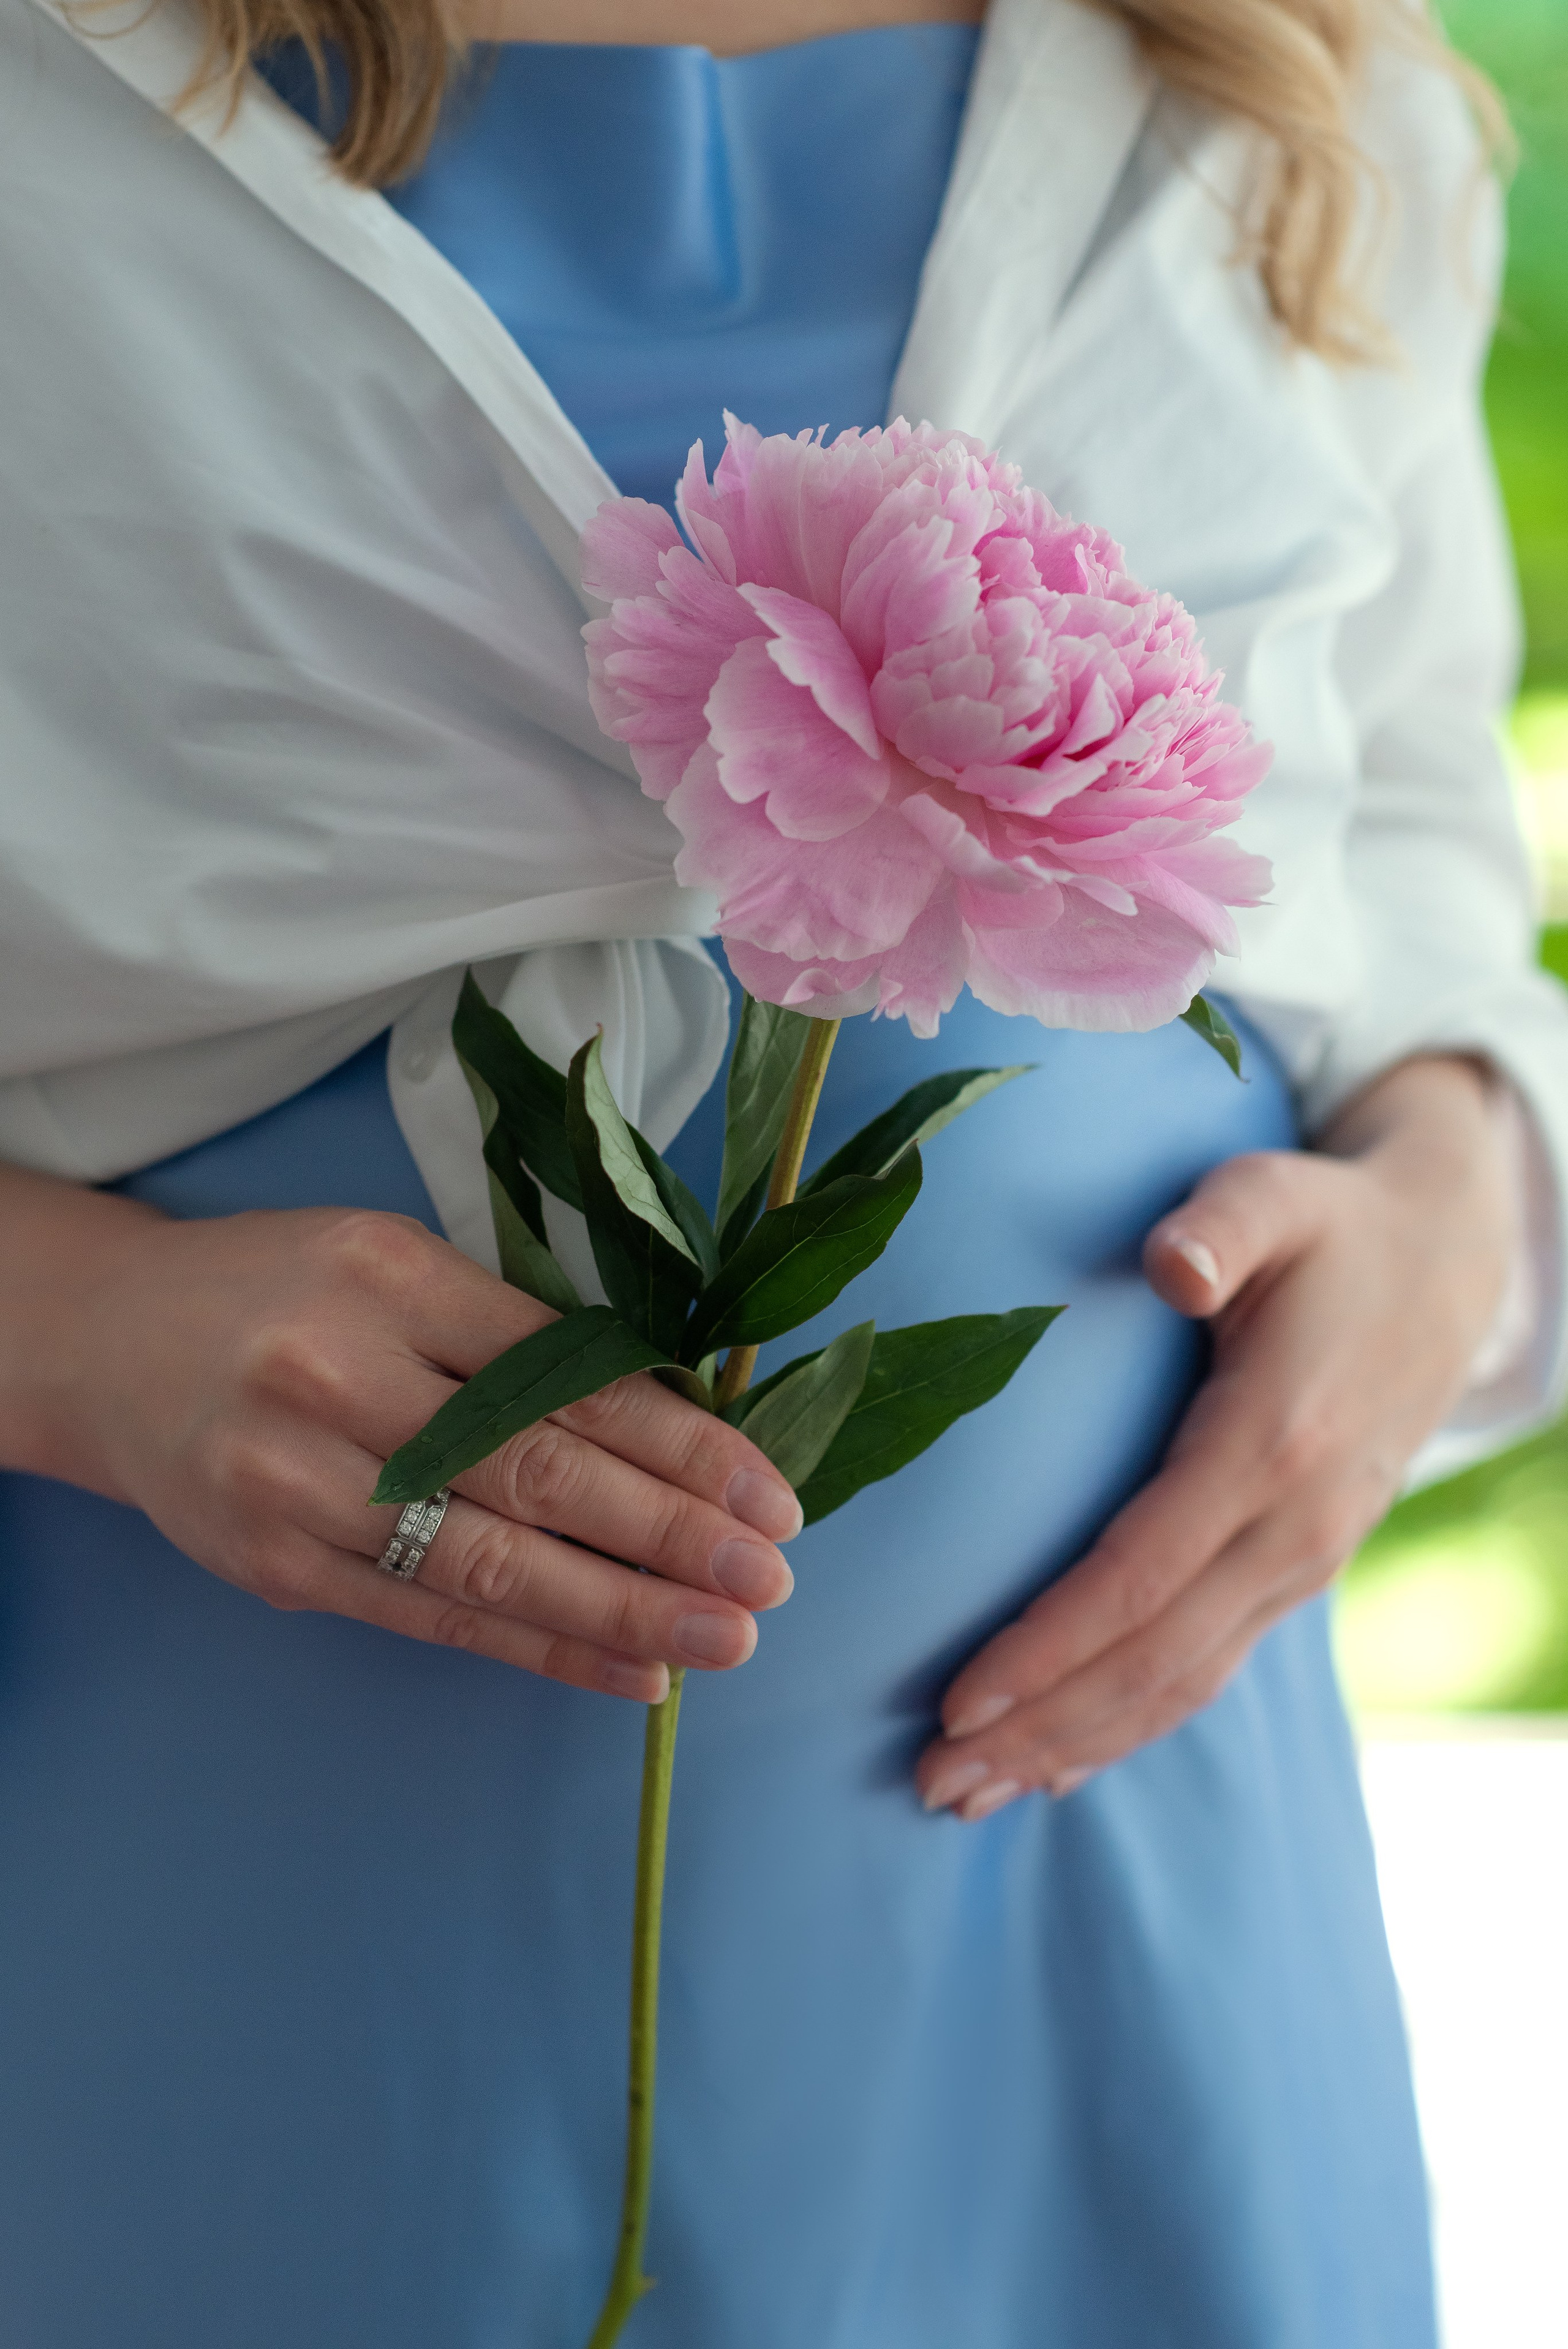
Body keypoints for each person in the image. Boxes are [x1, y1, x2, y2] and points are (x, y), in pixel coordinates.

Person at [0, 0, 1562, 2340]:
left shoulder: (1299, 61)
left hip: (1103, 1900)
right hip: (228, 1876)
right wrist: (69, 1334)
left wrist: (1463, 1191)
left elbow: (1413, 817)